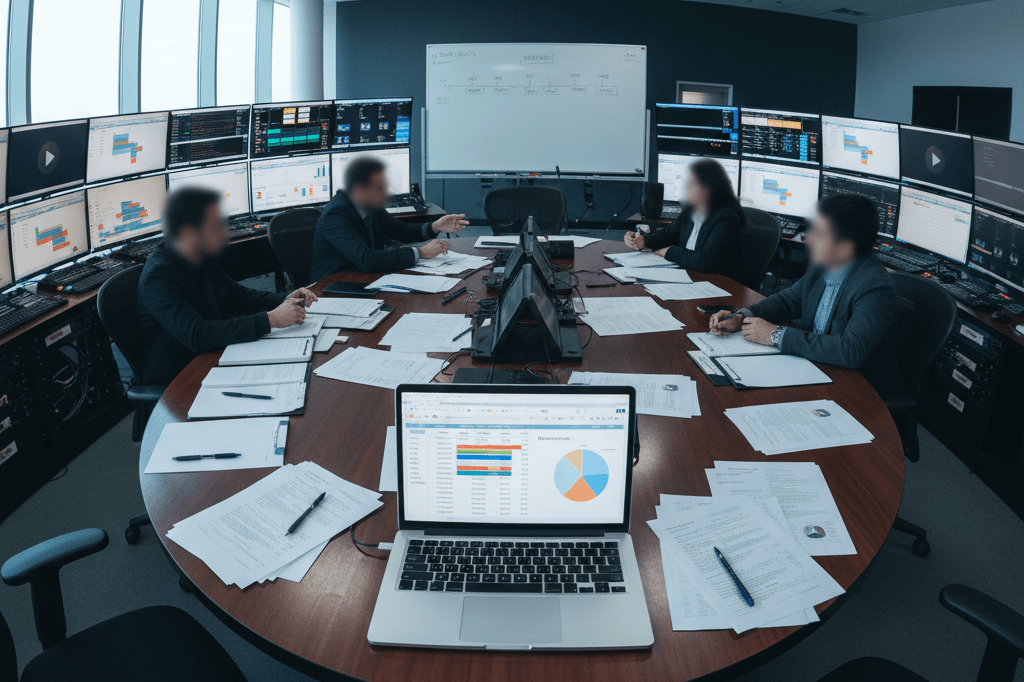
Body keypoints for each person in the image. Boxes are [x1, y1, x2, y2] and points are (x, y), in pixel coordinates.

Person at [709, 194, 902, 397]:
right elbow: (789, 301)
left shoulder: (874, 287)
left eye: (819, 233)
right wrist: (742, 317)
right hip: (817, 371)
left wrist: (775, 335)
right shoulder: (823, 266)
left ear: (846, 245)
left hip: (859, 392)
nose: (808, 239)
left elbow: (850, 350)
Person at [138, 187, 318, 386]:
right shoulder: (158, 277)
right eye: (216, 226)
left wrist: (285, 299)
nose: (225, 232)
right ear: (188, 231)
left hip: (216, 356)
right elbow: (197, 335)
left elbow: (235, 295)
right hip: (182, 380)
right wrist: (271, 319)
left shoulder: (199, 256)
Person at [309, 156, 470, 281]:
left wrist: (435, 226)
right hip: (332, 288)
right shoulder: (336, 214)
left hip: (365, 279)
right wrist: (420, 252)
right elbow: (366, 259)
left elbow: (401, 231)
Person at [624, 158, 746, 281]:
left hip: (719, 285)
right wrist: (644, 241)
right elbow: (670, 235)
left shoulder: (727, 219)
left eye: (693, 183)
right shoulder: (692, 211)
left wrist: (670, 251)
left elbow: (705, 261)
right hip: (689, 277)